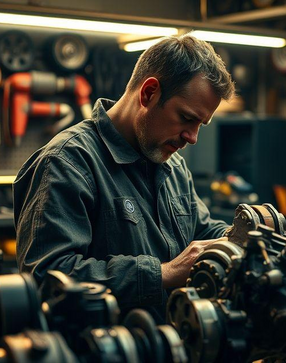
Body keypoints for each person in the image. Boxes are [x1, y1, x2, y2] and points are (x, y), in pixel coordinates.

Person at [13, 34, 235, 322]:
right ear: (149, 94)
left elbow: (200, 231)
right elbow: (47, 277)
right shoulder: (67, 162)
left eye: (200, 125)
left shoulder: (173, 164)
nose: (192, 138)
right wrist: (164, 274)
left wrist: (245, 236)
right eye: (187, 118)